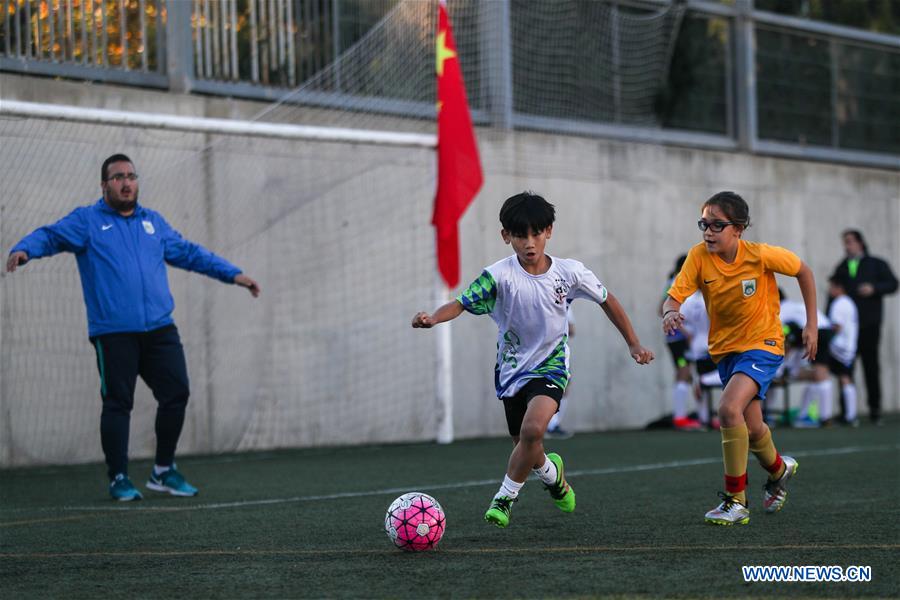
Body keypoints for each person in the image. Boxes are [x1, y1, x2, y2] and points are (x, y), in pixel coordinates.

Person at [6, 154, 260, 501]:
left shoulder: (153, 222)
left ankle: (163, 471)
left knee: (176, 393)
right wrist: (25, 249)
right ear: (104, 185)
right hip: (114, 333)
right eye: (118, 177)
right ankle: (119, 478)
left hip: (160, 329)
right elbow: (50, 236)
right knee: (117, 403)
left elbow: (190, 253)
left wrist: (233, 274)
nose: (126, 183)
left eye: (131, 176)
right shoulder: (87, 221)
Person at [412, 191, 653, 528]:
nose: (529, 243)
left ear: (548, 231)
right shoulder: (497, 276)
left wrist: (634, 343)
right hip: (511, 371)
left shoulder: (569, 272)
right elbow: (461, 303)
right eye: (520, 235)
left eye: (536, 233)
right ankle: (554, 477)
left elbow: (606, 299)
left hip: (551, 367)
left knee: (532, 429)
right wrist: (434, 318)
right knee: (528, 445)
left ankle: (504, 498)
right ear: (505, 236)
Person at [663, 191, 818, 525]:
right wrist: (670, 312)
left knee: (728, 408)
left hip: (764, 344)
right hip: (726, 352)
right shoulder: (698, 257)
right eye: (704, 224)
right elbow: (673, 298)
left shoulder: (760, 255)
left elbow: (804, 272)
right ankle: (779, 469)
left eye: (717, 225)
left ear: (739, 228)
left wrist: (811, 326)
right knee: (754, 425)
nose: (708, 232)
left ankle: (736, 501)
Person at [830, 230, 897, 425]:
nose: (847, 246)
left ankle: (875, 410)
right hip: (847, 329)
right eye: (845, 242)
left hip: (869, 325)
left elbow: (893, 284)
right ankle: (846, 412)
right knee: (845, 367)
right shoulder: (842, 266)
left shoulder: (876, 263)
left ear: (860, 243)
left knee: (871, 366)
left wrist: (874, 288)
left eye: (850, 241)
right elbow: (833, 292)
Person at [660, 255, 702, 430]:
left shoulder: (680, 281)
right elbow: (662, 308)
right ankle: (680, 417)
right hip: (678, 338)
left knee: (690, 374)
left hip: (684, 338)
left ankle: (700, 416)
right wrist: (685, 331)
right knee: (683, 371)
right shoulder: (676, 282)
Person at [827, 275, 860, 426]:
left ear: (839, 287)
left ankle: (849, 416)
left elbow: (837, 327)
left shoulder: (838, 304)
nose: (829, 289)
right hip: (849, 347)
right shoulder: (849, 302)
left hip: (839, 349)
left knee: (839, 378)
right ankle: (850, 415)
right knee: (846, 378)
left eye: (832, 286)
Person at [546, 312, 575, 439]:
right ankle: (550, 425)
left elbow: (572, 330)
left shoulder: (566, 304)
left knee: (563, 388)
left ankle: (553, 424)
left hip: (559, 353)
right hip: (548, 355)